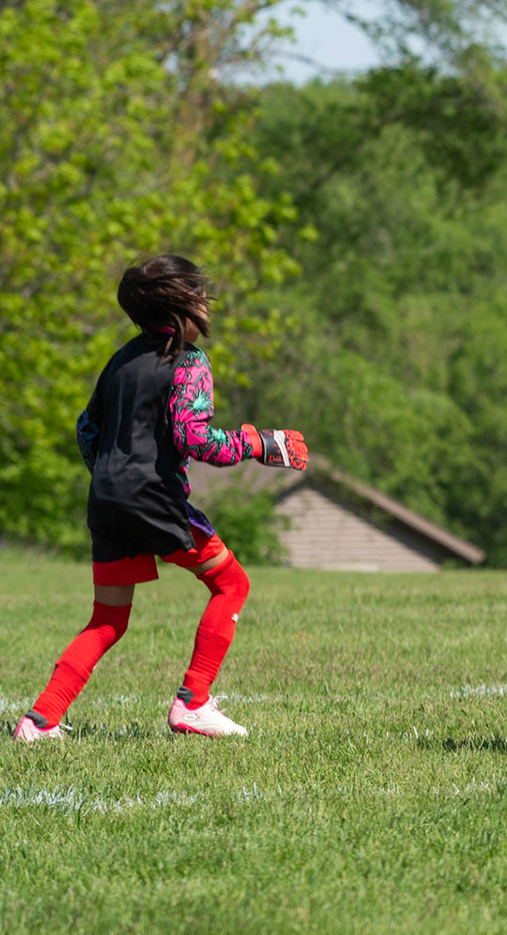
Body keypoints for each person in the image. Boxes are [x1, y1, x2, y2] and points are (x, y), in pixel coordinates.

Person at [14, 256, 308, 743]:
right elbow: (197, 439)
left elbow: (87, 429)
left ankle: (40, 720)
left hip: (106, 497)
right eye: (200, 292)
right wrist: (258, 443)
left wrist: (112, 479)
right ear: (183, 304)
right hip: (152, 498)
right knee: (231, 585)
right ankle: (193, 702)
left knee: (107, 619)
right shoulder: (189, 361)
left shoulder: (121, 359)